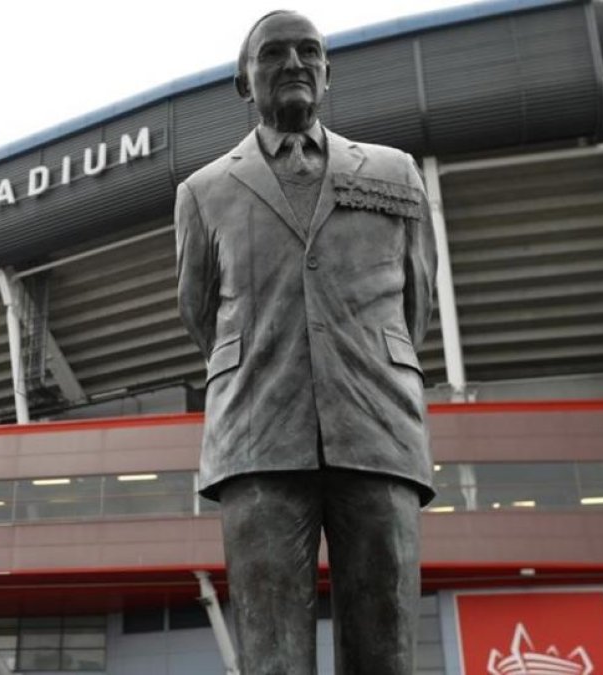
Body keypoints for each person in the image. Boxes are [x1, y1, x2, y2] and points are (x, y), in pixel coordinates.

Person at [174, 10, 438, 674]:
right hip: (257, 435)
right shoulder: (203, 192)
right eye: (272, 54)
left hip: (377, 428)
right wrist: (277, 360)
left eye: (308, 51)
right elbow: (201, 312)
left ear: (327, 72)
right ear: (243, 81)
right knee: (272, 656)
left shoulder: (394, 171)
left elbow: (415, 303)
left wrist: (358, 366)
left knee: (387, 648)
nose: (293, 62)